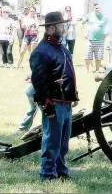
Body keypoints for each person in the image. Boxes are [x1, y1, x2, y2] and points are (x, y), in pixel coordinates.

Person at [29, 11, 79, 181]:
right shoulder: (41, 51)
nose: (63, 28)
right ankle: (47, 174)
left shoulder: (61, 48)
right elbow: (39, 81)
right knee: (52, 141)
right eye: (60, 25)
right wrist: (47, 104)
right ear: (51, 28)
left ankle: (60, 171)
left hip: (65, 102)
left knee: (63, 141)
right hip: (54, 102)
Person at [82, 3, 108, 73]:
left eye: (99, 8)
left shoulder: (104, 17)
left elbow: (109, 25)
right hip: (90, 39)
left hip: (100, 40)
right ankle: (87, 69)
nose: (97, 9)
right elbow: (82, 23)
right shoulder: (89, 15)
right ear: (94, 8)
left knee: (99, 56)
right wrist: (84, 33)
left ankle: (97, 70)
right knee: (87, 55)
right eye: (96, 8)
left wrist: (106, 33)